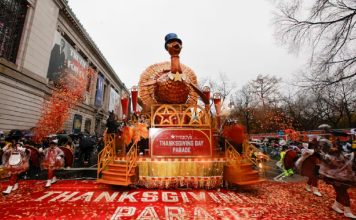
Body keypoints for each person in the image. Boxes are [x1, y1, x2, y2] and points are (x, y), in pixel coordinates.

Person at [317, 139, 356, 218]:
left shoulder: (340, 153)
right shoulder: (328, 156)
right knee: (342, 192)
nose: (335, 147)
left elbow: (346, 157)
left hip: (343, 176)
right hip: (334, 177)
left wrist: (352, 154)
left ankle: (335, 206)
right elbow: (331, 163)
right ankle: (347, 211)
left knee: (341, 191)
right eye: (333, 146)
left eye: (337, 145)